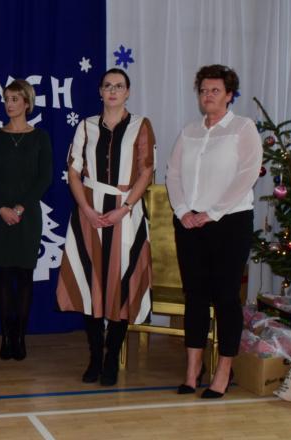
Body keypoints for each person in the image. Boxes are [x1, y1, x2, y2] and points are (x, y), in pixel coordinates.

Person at [167, 64, 262, 398]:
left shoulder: (242, 128)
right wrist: (183, 211)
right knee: (194, 296)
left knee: (225, 297)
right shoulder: (189, 130)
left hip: (229, 222)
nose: (208, 96)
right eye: (204, 90)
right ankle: (192, 370)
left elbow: (247, 174)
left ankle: (223, 371)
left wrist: (214, 212)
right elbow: (172, 173)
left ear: (229, 95)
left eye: (215, 90)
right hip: (190, 224)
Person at [57, 68, 155, 386]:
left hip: (126, 212)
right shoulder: (86, 126)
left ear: (128, 92)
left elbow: (146, 171)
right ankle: (95, 357)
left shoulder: (141, 125)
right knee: (92, 285)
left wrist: (125, 208)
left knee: (121, 286)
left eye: (119, 86)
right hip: (90, 212)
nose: (113, 91)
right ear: (100, 91)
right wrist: (86, 209)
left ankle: (112, 357)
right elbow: (73, 171)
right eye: (107, 86)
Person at [0, 79, 52, 360]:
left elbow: (44, 177)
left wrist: (21, 208)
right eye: (6, 99)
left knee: (24, 277)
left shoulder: (41, 137)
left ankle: (20, 338)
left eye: (14, 99)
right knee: (3, 277)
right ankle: (5, 338)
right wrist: (2, 208)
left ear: (27, 103)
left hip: (28, 216)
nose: (9, 104)